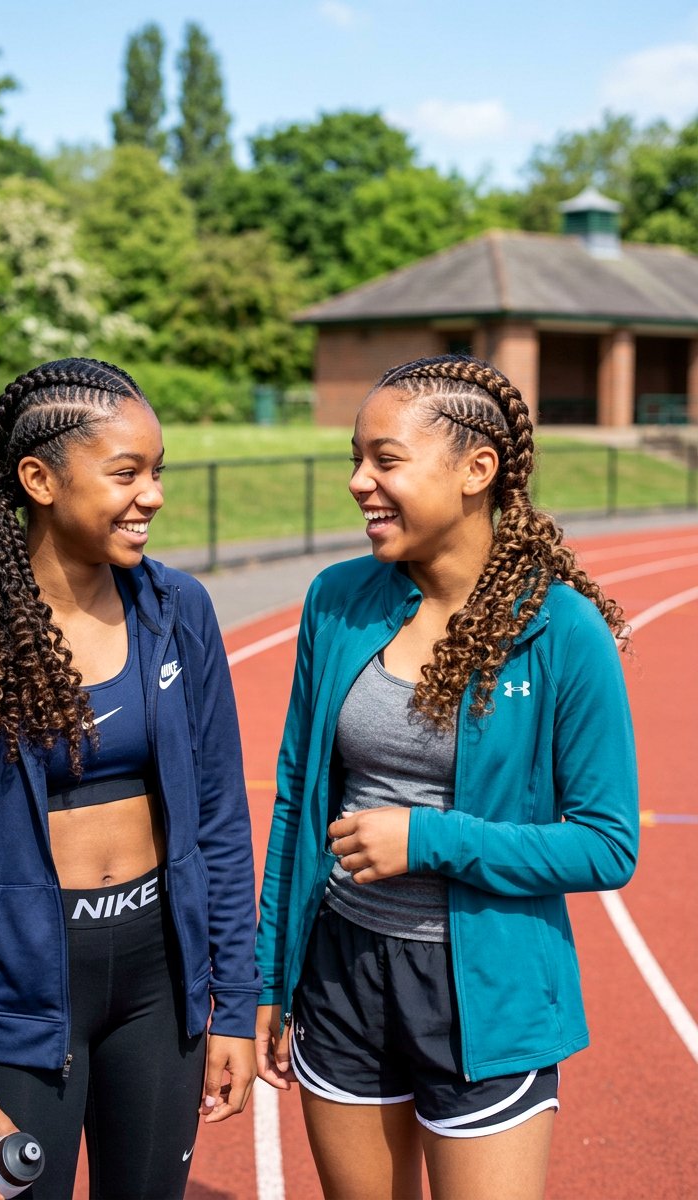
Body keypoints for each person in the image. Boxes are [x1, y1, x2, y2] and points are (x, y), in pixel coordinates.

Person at [254, 354, 639, 1200]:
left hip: (486, 997)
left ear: (477, 469)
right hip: (342, 974)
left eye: (385, 460)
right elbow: (295, 802)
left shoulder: (563, 630)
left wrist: (428, 839)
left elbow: (608, 846)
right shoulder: (336, 600)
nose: (359, 481)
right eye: (356, 459)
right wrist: (271, 975)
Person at [0, 358, 260, 1200]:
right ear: (40, 479)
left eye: (158, 471)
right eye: (126, 473)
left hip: (160, 982)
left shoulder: (178, 611)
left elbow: (222, 820)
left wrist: (234, 1002)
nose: (152, 494)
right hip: (23, 995)